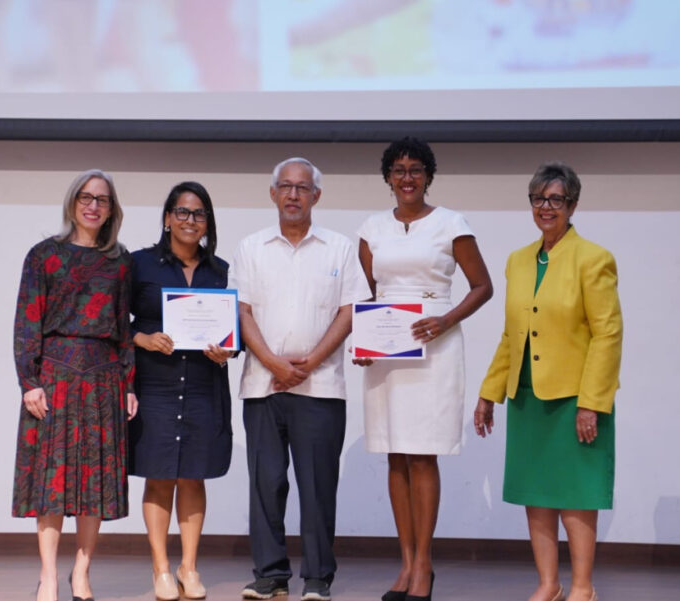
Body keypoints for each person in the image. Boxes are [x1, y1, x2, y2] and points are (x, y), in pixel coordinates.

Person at [475, 162, 622, 601]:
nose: (545, 207)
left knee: (576, 495)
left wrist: (592, 401)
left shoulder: (593, 259)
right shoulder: (518, 261)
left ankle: (582, 586)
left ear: (572, 205)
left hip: (574, 398)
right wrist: (488, 392)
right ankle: (548, 584)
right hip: (526, 397)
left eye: (555, 199)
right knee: (536, 495)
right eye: (538, 198)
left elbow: (608, 333)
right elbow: (512, 334)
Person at [354, 137, 493, 601]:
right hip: (388, 351)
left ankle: (425, 566)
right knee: (394, 453)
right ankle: (407, 563)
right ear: (387, 178)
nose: (407, 177)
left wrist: (446, 319)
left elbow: (482, 286)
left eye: (415, 169)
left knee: (422, 454)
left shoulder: (452, 223)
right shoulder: (371, 228)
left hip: (435, 346)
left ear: (428, 175)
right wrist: (366, 342)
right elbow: (370, 294)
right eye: (398, 169)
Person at [230, 157, 372, 601]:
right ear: (273, 194)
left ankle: (316, 578)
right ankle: (270, 575)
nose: (294, 194)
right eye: (285, 187)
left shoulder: (339, 248)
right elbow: (242, 310)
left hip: (322, 387)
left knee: (317, 487)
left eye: (303, 187)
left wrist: (309, 362)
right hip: (262, 385)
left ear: (317, 196)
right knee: (266, 484)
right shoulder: (251, 247)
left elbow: (350, 310)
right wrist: (273, 362)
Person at [12, 169, 138, 601]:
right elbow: (27, 321)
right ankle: (48, 576)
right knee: (52, 481)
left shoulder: (121, 262)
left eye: (102, 199)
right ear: (72, 202)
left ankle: (81, 574)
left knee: (94, 483)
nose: (92, 205)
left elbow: (124, 327)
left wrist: (130, 384)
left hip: (104, 380)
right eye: (85, 197)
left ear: (111, 209)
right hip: (55, 377)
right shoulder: (43, 256)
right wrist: (29, 381)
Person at [129, 181, 234, 601]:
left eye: (200, 214)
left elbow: (235, 330)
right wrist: (145, 339)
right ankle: (160, 569)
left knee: (193, 476)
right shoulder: (139, 264)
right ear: (169, 217)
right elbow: (118, 322)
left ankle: (189, 568)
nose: (191, 221)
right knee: (159, 478)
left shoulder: (221, 270)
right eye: (183, 212)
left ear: (208, 222)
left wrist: (227, 352)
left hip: (204, 386)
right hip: (155, 385)